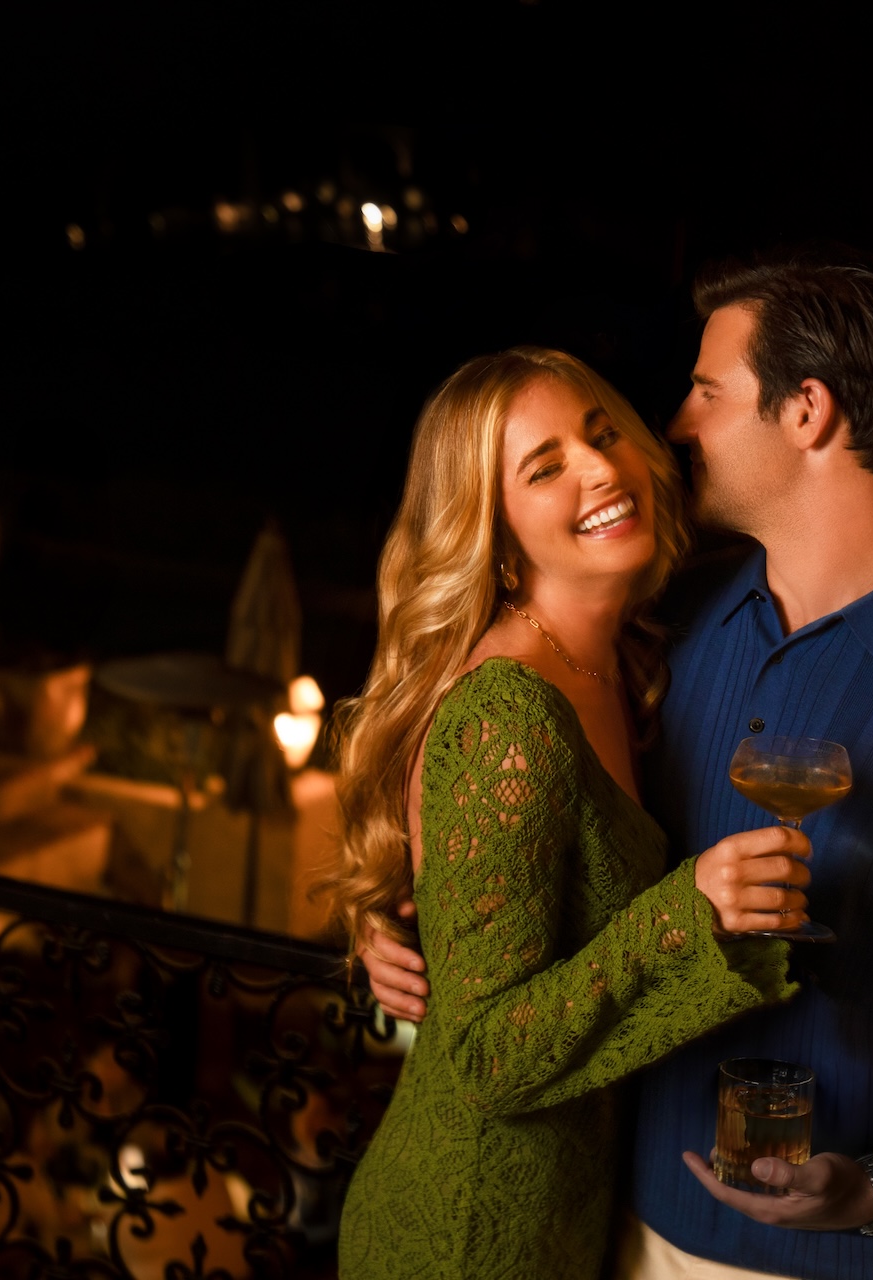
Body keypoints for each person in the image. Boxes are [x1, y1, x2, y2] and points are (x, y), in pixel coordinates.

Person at [360, 246, 873, 1279]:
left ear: (808, 411)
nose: (670, 425)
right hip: (614, 1238)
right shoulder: (671, 631)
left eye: (707, 390)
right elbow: (496, 785)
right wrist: (395, 910)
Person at [326, 347, 809, 1279]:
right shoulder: (508, 714)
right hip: (466, 1231)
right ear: (495, 532)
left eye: (600, 433)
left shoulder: (619, 664)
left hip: (562, 1216)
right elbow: (482, 1057)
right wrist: (690, 915)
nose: (600, 469)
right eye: (544, 468)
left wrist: (385, 912)